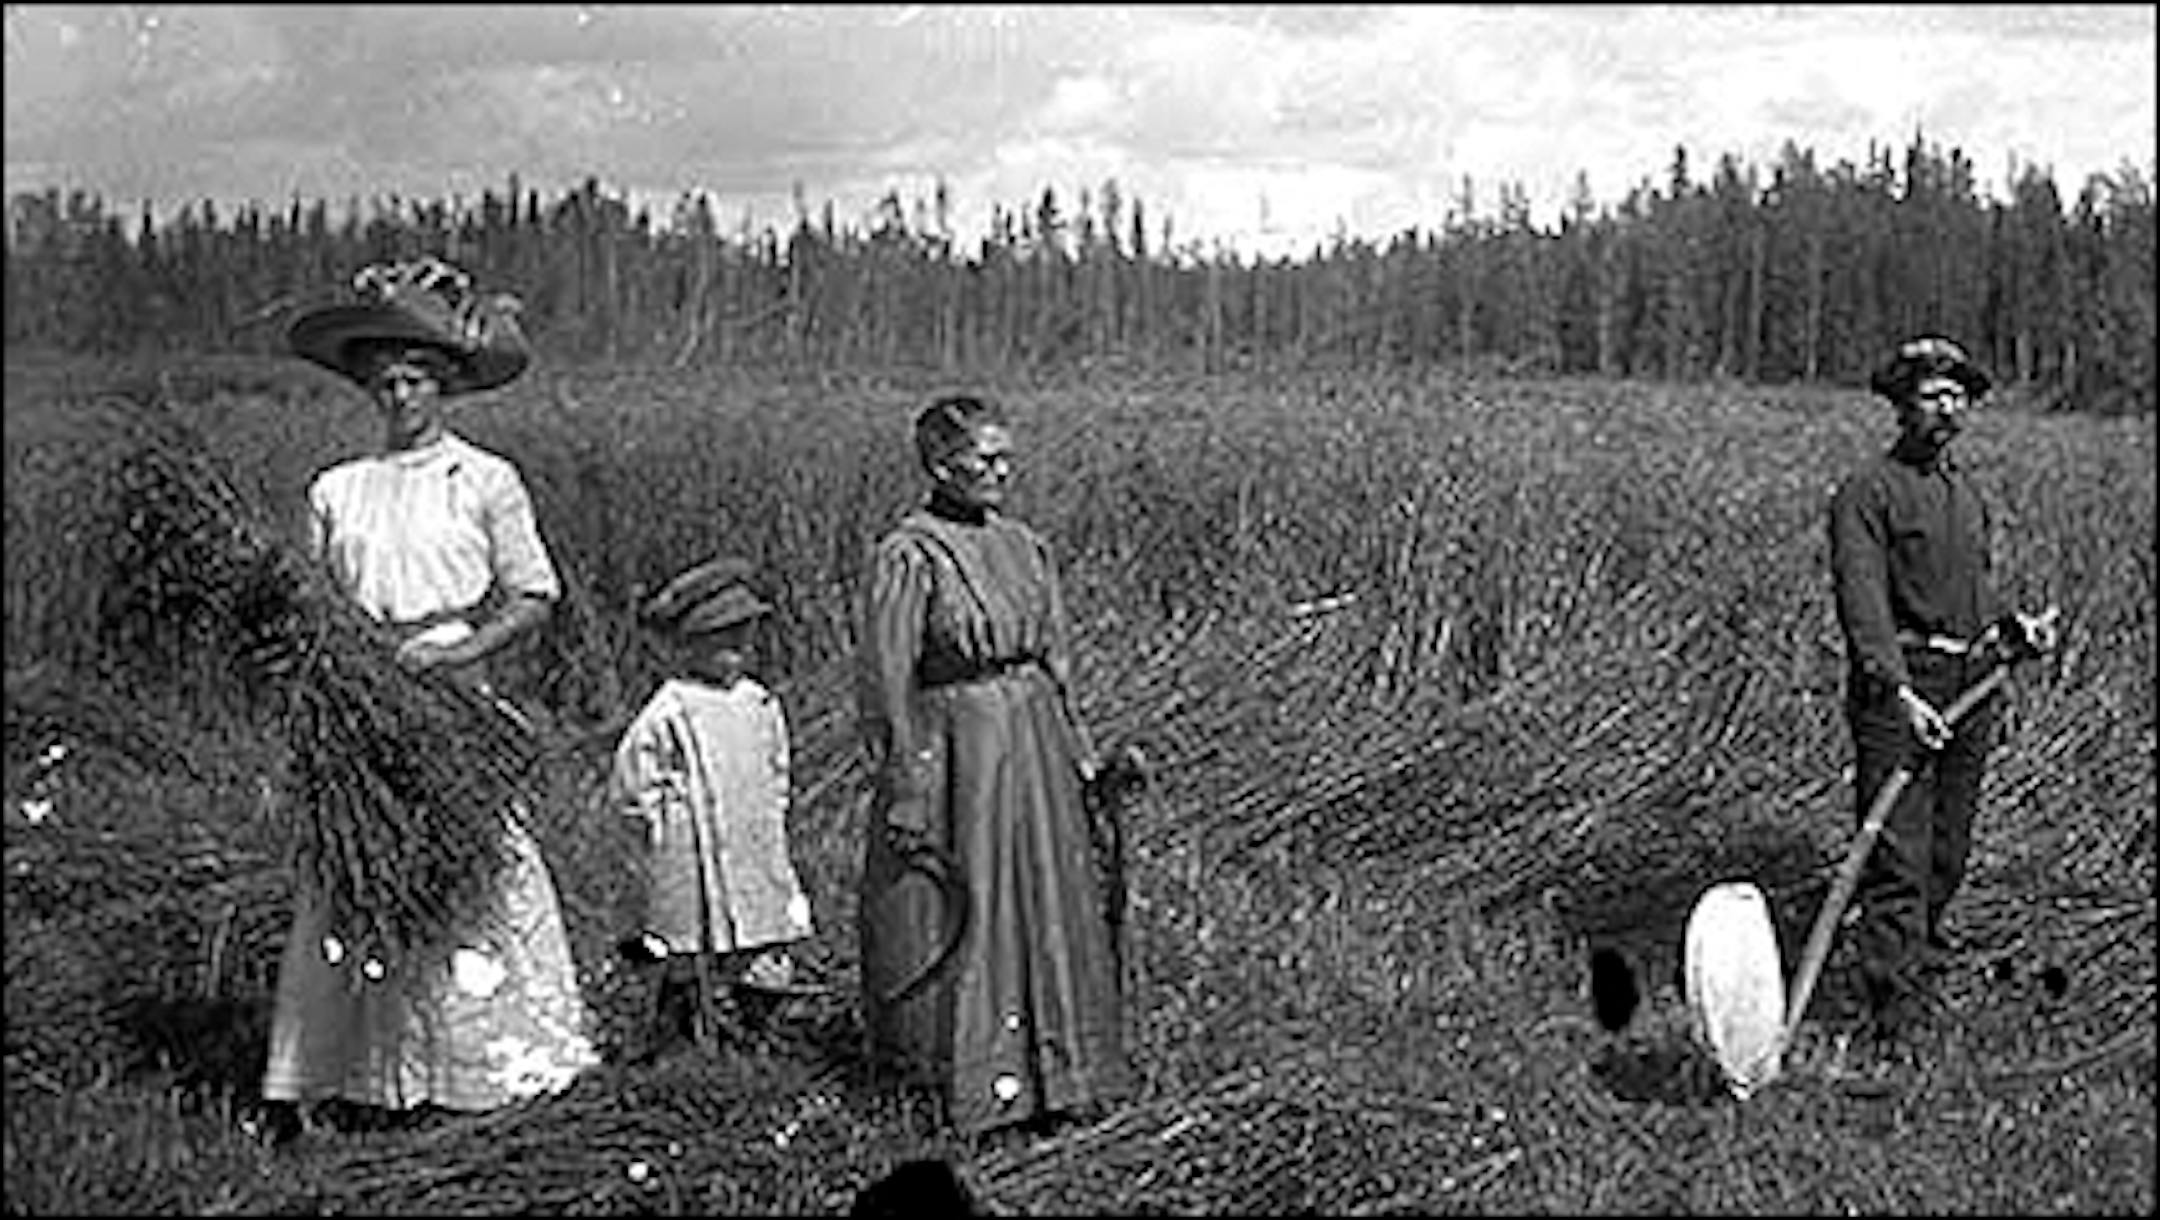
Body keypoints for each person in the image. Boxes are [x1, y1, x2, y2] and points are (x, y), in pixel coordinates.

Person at [249, 258, 598, 1144]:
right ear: (369, 387)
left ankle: (483, 1071)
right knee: (354, 871)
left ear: (443, 386)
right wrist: (339, 672)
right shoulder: (337, 490)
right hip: (357, 694)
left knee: (475, 872)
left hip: (451, 687)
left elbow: (533, 594)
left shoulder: (484, 479)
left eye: (416, 379)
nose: (400, 395)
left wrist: (461, 656)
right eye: (386, 381)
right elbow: (312, 603)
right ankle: (342, 1077)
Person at [855, 393, 1134, 1139]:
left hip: (1034, 747)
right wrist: (907, 784)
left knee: (1047, 900)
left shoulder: (1025, 546)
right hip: (960, 758)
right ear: (940, 465)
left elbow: (1059, 662)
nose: (1001, 471)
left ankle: (1062, 1080)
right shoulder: (908, 554)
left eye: (1007, 457)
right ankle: (981, 1090)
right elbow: (887, 681)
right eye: (985, 459)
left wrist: (1083, 759)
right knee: (973, 907)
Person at [1827, 335, 2058, 1045]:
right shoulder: (1868, 491)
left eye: (1957, 395)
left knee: (1947, 853)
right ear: (1902, 405)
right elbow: (1862, 604)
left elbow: (1970, 596)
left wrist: (2013, 628)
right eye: (1932, 394)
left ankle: (1918, 975)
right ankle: (1891, 1020)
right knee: (1898, 857)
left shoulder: (1964, 493)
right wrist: (1897, 692)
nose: (1947, 406)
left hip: (1970, 687)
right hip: (1903, 694)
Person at [608, 555, 817, 1055]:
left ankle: (758, 1031)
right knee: (686, 942)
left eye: (742, 637)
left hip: (754, 842)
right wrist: (667, 826)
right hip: (691, 848)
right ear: (688, 645)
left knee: (762, 934)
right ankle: (678, 1036)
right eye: (719, 640)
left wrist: (772, 814)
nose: (735, 651)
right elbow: (634, 785)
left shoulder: (758, 703)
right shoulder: (671, 708)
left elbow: (777, 769)